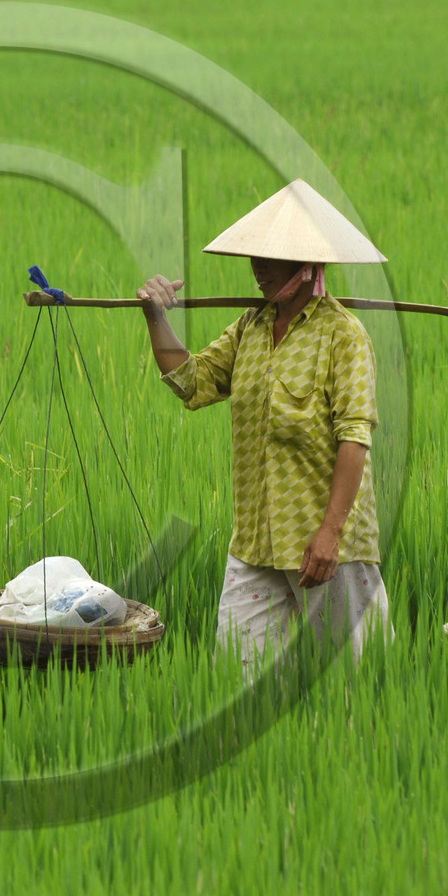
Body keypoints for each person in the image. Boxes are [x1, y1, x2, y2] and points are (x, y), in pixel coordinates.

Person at [136, 179, 393, 674]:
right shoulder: (250, 328)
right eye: (255, 254)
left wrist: (331, 533)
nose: (258, 267)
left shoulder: (344, 337)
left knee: (356, 682)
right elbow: (192, 382)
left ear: (308, 263)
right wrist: (155, 316)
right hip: (256, 543)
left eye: (273, 256)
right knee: (237, 678)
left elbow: (355, 438)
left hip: (327, 546)